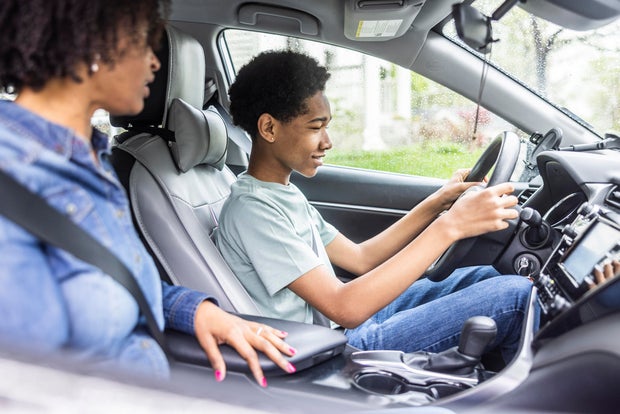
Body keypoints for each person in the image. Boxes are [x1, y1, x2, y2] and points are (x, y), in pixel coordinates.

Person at [0, 0, 295, 387]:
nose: (154, 63)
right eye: (142, 42)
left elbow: (114, 280)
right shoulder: (15, 179)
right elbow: (26, 382)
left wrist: (196, 312)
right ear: (90, 42)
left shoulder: (94, 160)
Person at [215, 50, 540, 364]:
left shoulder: (282, 194)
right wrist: (451, 226)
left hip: (339, 328)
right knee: (517, 296)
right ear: (269, 128)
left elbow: (361, 259)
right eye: (316, 127)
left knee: (485, 274)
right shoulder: (254, 210)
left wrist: (439, 203)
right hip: (330, 349)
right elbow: (345, 308)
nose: (328, 141)